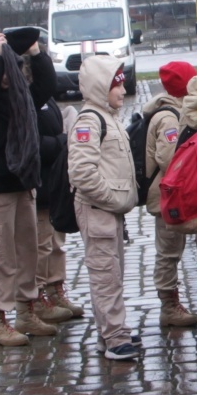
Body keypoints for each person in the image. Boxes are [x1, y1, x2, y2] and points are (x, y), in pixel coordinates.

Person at [0, 28, 60, 347]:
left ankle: (26, 311)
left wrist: (34, 52)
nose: (13, 75)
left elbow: (46, 84)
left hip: (22, 184)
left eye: (16, 70)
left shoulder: (20, 96)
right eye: (8, 70)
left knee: (27, 253)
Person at [68, 56, 139, 360]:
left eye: (123, 82)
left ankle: (110, 331)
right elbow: (82, 173)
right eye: (116, 84)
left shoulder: (107, 116)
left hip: (108, 211)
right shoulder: (90, 120)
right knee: (105, 273)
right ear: (100, 86)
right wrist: (111, 197)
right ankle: (114, 336)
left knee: (112, 271)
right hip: (99, 210)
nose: (123, 90)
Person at [143, 61, 197, 328]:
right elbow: (169, 158)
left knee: (172, 249)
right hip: (166, 197)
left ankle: (171, 301)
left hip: (173, 195)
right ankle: (169, 305)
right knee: (168, 252)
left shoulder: (176, 111)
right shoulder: (168, 117)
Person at [32, 94, 81, 325]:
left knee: (56, 242)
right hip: (39, 183)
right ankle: (38, 295)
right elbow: (34, 143)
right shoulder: (27, 99)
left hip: (53, 182)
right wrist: (62, 140)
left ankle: (56, 289)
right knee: (41, 245)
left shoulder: (46, 97)